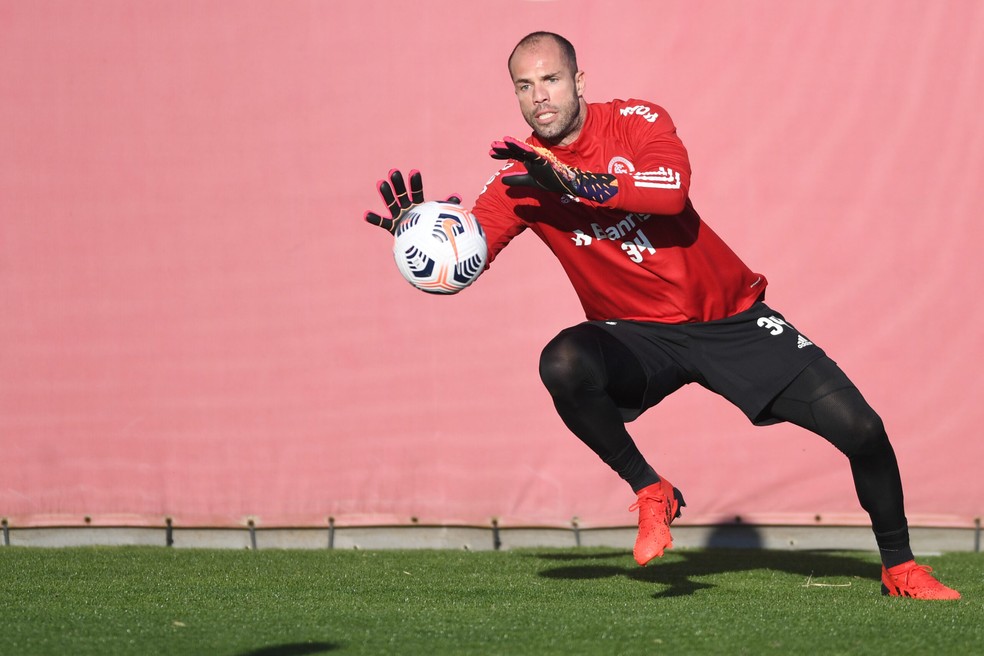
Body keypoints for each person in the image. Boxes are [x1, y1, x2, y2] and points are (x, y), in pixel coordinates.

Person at [364, 31, 960, 600]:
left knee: (862, 430)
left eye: (550, 78)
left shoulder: (636, 120)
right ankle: (650, 487)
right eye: (524, 85)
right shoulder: (518, 179)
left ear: (579, 80)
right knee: (562, 361)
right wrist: (423, 243)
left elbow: (670, 189)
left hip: (729, 318)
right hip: (637, 338)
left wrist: (576, 184)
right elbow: (466, 258)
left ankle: (900, 566)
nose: (538, 95)